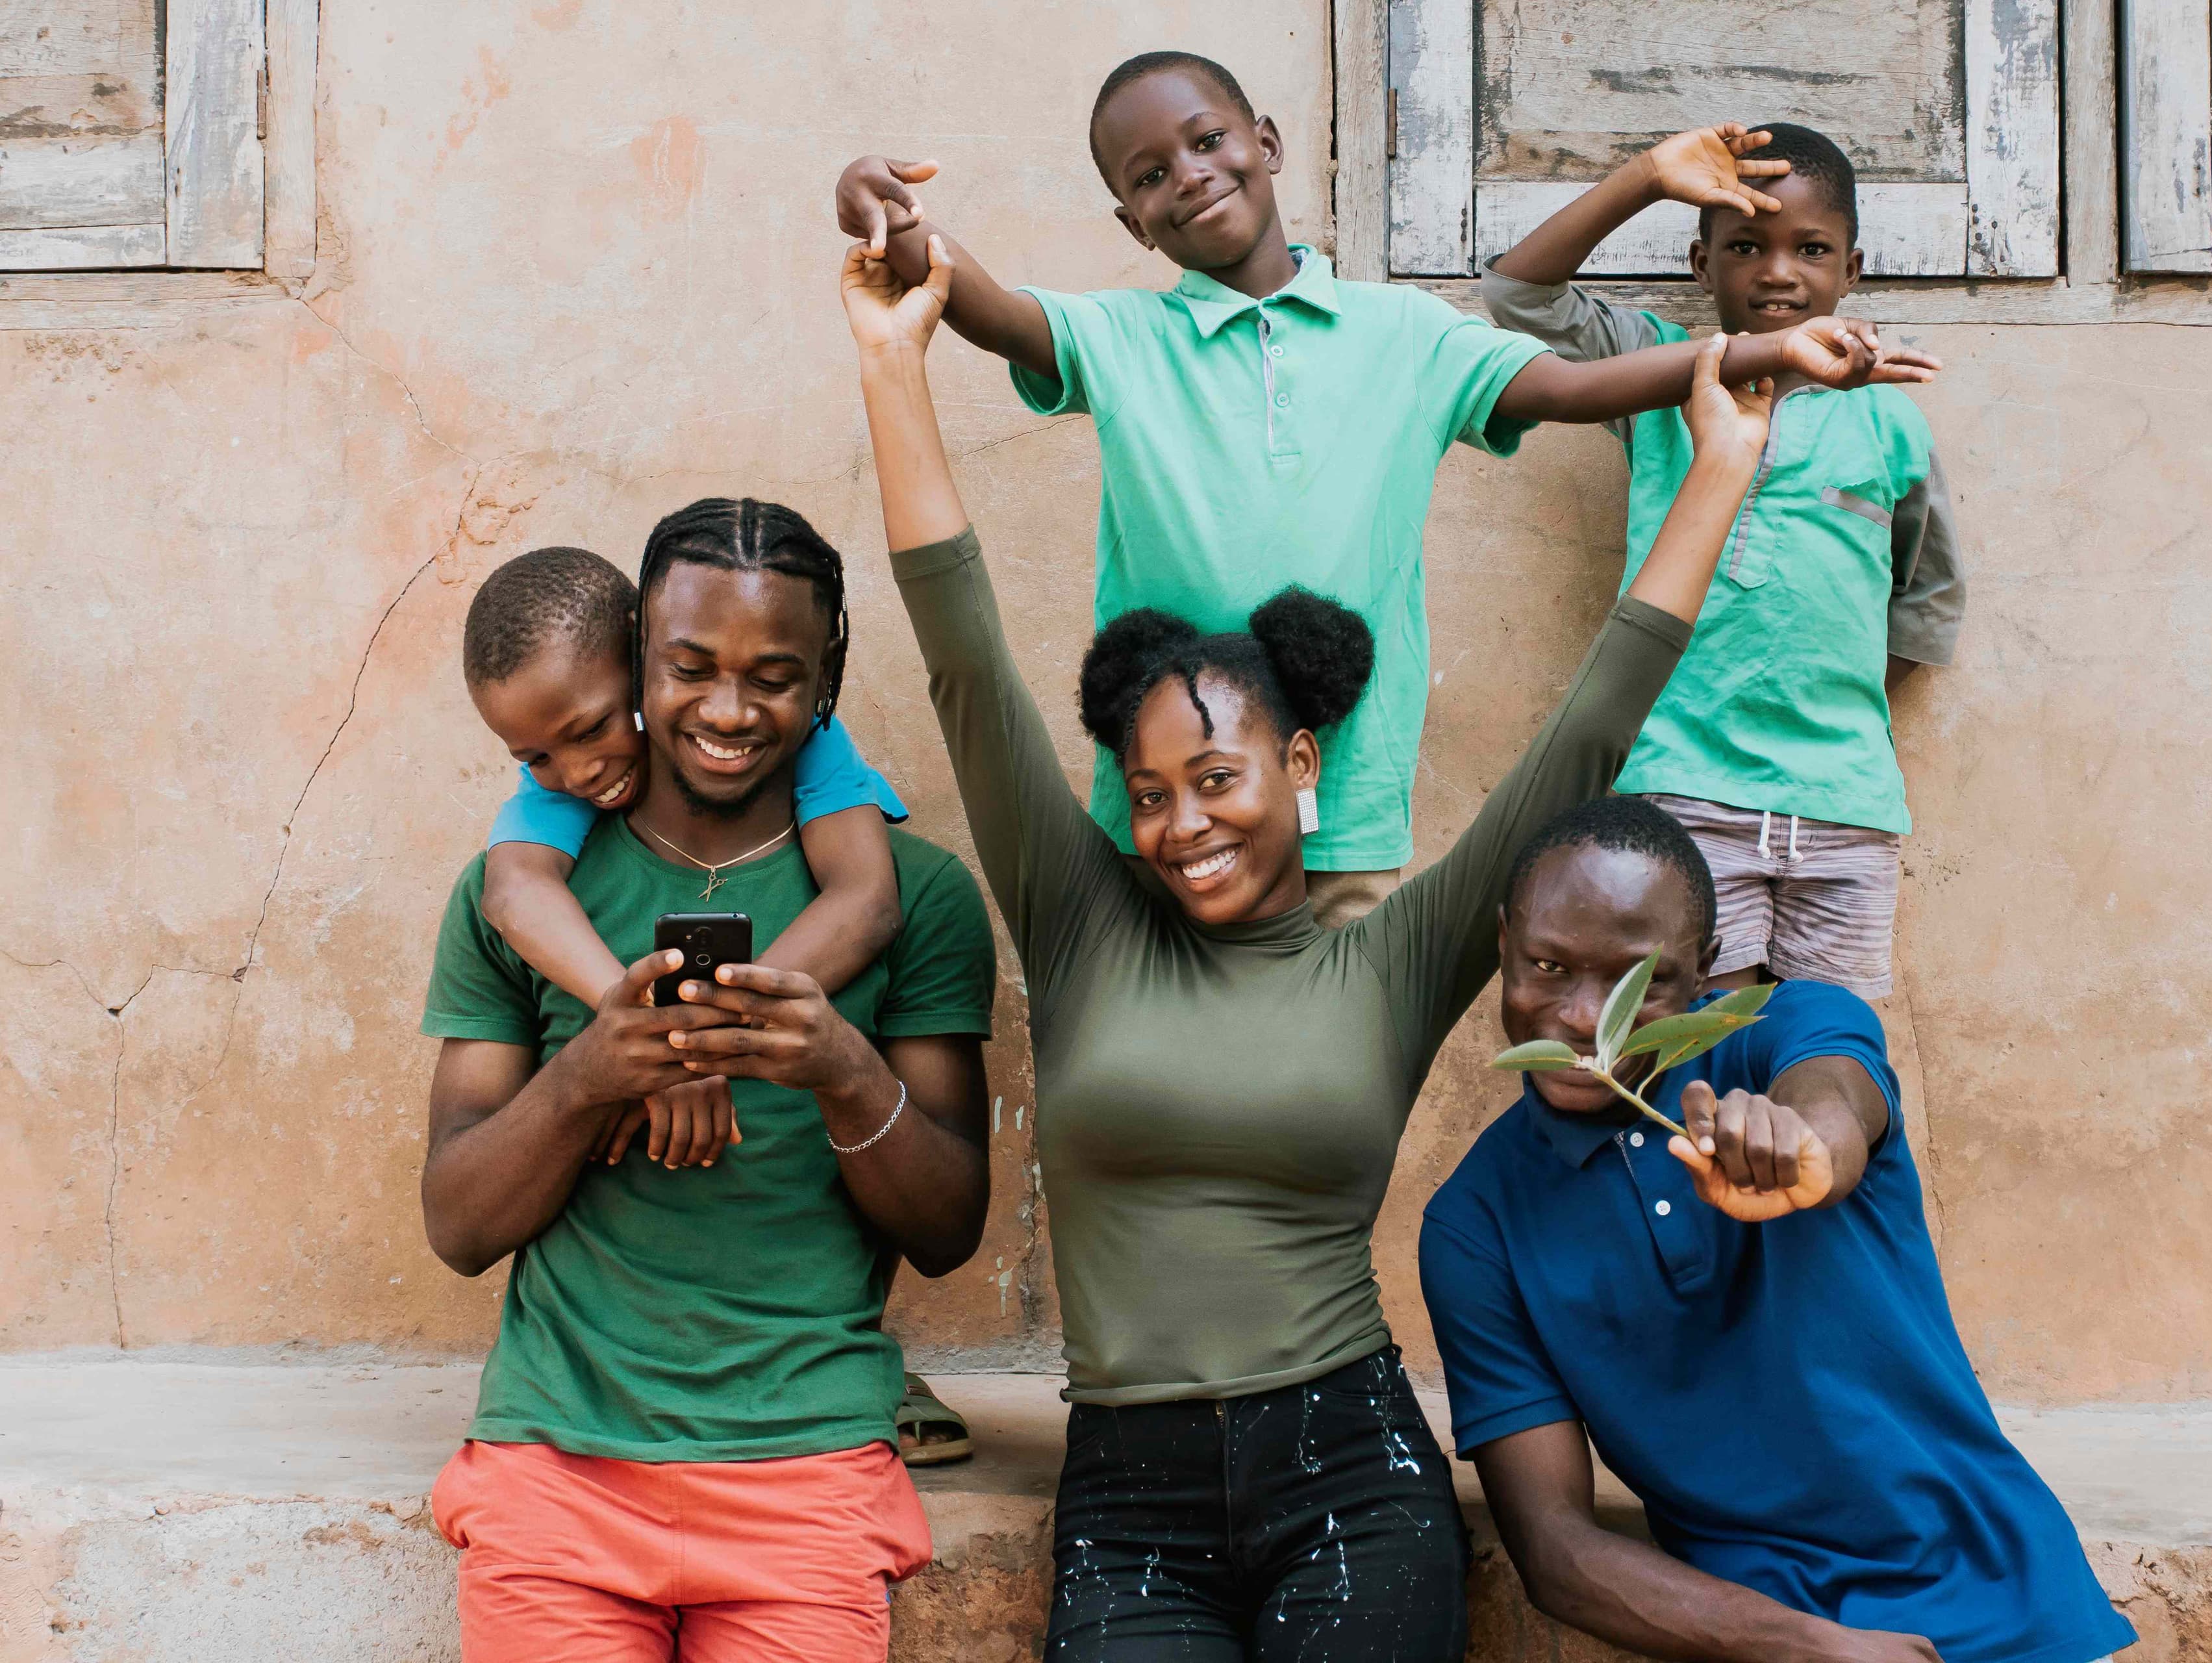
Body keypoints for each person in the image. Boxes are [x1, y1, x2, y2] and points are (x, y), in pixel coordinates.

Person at [840, 229, 1772, 1659]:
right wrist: (894, 360)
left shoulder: (1391, 962)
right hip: (1130, 1502)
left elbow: (1593, 721)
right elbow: (961, 646)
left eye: (1220, 779)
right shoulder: (1081, 922)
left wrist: (1719, 463)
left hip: (1349, 1471)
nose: (1182, 823)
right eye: (1149, 793)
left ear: (1304, 766)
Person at [835, 61, 1937, 926]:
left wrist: (1766, 354)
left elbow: (1575, 383)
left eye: (1208, 141)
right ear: (1134, 223)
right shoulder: (1119, 337)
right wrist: (886, 216)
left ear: (1264, 144)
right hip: (1163, 820)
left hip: (1347, 822)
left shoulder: (1406, 334)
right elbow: (982, 306)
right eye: (1150, 174)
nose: (1189, 174)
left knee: (1326, 1101)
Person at [419, 498, 998, 1659]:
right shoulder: (528, 899)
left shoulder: (917, 897)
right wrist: (592, 1075)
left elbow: (946, 1230)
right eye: (688, 669)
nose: (728, 711)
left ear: (828, 679)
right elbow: (458, 1222)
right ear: (636, 655)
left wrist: (840, 1070)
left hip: (807, 1477)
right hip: (558, 1471)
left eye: (776, 677)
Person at [1417, 795, 2135, 1663]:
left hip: (2013, 1604)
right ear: (1503, 944)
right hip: (1772, 1633)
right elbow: (1556, 1550)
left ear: (1704, 973)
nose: (1581, 1018)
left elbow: (1834, 1100)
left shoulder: (1787, 1031)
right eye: (1547, 965)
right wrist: (1810, 1649)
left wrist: (1803, 1150)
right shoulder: (1474, 1225)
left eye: (1633, 983)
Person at [1485, 123, 1968, 998]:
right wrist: (1643, 179)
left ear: (1851, 269)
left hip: (1844, 806)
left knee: (1830, 1048)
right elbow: (1520, 294)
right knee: (1703, 1050)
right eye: (1746, 245)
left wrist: (1817, 700)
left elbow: (1925, 601)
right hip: (1684, 795)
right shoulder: (1663, 373)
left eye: (1811, 249)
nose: (1778, 271)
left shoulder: (1893, 420)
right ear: (1703, 267)